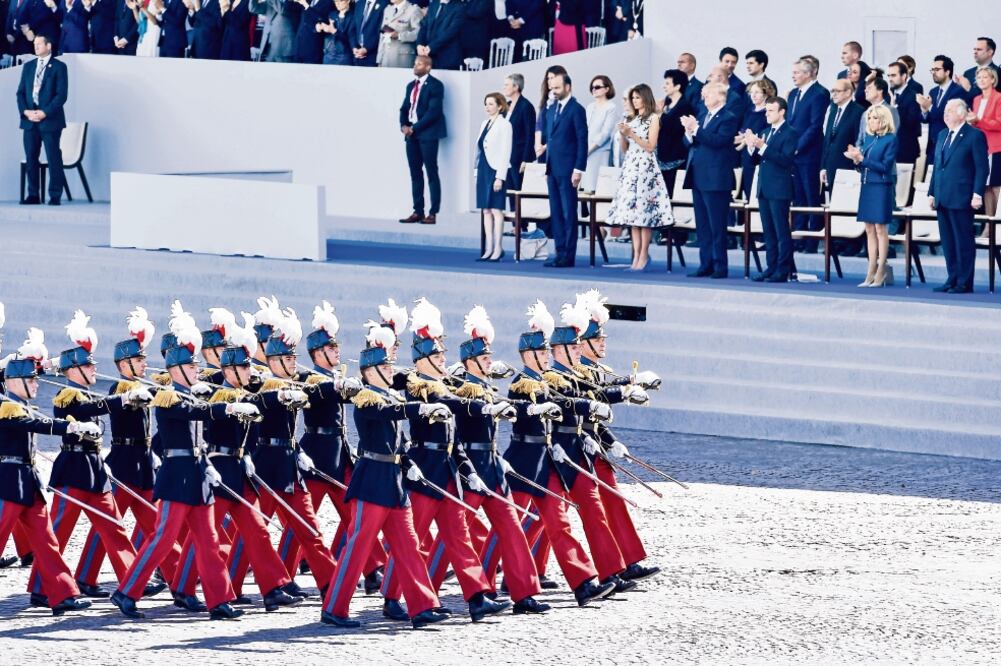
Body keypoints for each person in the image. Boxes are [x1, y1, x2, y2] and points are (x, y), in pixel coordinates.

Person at [109, 314, 247, 620]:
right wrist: (231, 407)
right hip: (177, 476)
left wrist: (207, 463)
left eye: (197, 365)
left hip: (197, 473)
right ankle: (126, 591)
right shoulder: (169, 396)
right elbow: (196, 413)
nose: (197, 370)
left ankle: (219, 600)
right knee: (163, 538)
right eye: (192, 366)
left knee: (209, 541)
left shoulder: (187, 393)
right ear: (176, 369)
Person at [318, 323, 448, 629]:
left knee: (408, 547)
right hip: (372, 480)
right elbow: (390, 413)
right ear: (371, 370)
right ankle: (334, 607)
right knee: (358, 546)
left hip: (393, 480)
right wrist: (423, 409)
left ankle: (423, 606)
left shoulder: (387, 395)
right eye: (386, 366)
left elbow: (398, 436)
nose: (392, 371)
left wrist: (406, 461)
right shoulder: (366, 398)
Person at [502, 301, 616, 607]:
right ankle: (484, 586)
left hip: (546, 462)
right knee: (509, 528)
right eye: (541, 353)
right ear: (528, 355)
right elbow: (520, 408)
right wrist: (537, 408)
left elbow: (568, 401)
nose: (545, 356)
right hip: (523, 462)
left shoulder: (546, 381)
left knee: (558, 521)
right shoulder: (522, 382)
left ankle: (582, 583)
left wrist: (592, 406)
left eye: (546, 352)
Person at [0, 340, 94, 617]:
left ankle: (62, 594)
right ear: (16, 381)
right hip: (7, 481)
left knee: (46, 541)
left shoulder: (19, 404)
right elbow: (35, 424)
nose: (37, 384)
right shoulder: (6, 407)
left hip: (27, 480)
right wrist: (71, 426)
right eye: (31, 379)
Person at [606, 83, 672, 271]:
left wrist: (631, 134)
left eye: (637, 97)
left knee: (644, 216)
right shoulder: (631, 119)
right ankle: (635, 256)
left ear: (645, 97)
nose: (634, 101)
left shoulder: (653, 119)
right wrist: (623, 136)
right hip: (631, 167)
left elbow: (651, 146)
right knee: (633, 217)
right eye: (632, 98)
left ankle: (643, 255)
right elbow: (626, 150)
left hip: (646, 169)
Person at [928, 99, 988, 294]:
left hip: (962, 196)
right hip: (942, 196)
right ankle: (952, 278)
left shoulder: (974, 136)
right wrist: (931, 192)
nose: (946, 114)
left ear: (962, 114)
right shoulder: (942, 134)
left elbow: (982, 168)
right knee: (948, 242)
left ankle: (964, 282)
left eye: (950, 110)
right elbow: (937, 166)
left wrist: (977, 194)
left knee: (963, 241)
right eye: (945, 110)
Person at [680, 82, 740, 278]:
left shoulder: (728, 117)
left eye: (707, 94)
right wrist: (689, 133)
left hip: (716, 178)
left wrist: (696, 130)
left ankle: (720, 266)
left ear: (719, 95)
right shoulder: (702, 116)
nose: (703, 98)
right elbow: (691, 143)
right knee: (703, 225)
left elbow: (718, 141)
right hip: (698, 175)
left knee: (717, 226)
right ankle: (705, 263)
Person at [743, 96, 798, 282]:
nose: (767, 114)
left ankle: (783, 270)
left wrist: (762, 146)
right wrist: (752, 147)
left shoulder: (790, 132)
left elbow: (786, 160)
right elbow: (757, 160)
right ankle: (771, 266)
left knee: (781, 230)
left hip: (780, 187)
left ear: (782, 112)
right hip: (765, 186)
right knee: (768, 231)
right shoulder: (766, 131)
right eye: (766, 110)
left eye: (771, 110)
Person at [845, 106, 898, 287]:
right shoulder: (868, 138)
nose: (871, 121)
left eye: (875, 118)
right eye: (869, 118)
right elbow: (863, 165)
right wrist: (856, 159)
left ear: (883, 119)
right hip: (867, 185)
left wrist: (862, 160)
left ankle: (881, 268)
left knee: (881, 229)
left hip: (881, 186)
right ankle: (870, 269)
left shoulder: (890, 139)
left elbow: (885, 166)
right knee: (869, 229)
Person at [542, 72, 587, 268]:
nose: (554, 91)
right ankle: (559, 251)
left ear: (568, 87)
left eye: (558, 88)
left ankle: (569, 255)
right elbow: (548, 137)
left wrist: (578, 169)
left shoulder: (576, 109)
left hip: (569, 169)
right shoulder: (551, 109)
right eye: (552, 88)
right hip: (552, 167)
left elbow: (582, 140)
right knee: (556, 212)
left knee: (569, 212)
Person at [17, 35, 67, 207]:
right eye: (34, 44)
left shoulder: (60, 67)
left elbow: (61, 96)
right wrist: (26, 112)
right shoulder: (29, 66)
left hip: (50, 120)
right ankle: (33, 195)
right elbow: (20, 93)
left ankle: (55, 195)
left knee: (53, 157)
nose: (36, 47)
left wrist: (44, 112)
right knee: (31, 157)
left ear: (49, 45)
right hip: (30, 120)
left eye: (39, 44)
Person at [787, 55, 828, 252]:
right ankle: (799, 234)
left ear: (808, 73)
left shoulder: (819, 93)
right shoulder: (793, 94)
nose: (793, 76)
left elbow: (815, 125)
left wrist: (798, 146)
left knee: (812, 196)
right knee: (798, 196)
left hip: (810, 152)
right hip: (793, 153)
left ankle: (812, 239)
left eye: (796, 72)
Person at [399, 55, 446, 225]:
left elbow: (434, 112)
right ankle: (418, 211)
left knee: (431, 172)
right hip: (411, 135)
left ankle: (433, 213)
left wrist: (414, 128)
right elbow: (404, 108)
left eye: (419, 64)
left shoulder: (435, 85)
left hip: (427, 134)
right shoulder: (411, 86)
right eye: (415, 63)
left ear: (428, 67)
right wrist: (404, 125)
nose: (415, 66)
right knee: (415, 174)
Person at [476, 92, 512, 262]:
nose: (487, 107)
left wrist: (500, 177)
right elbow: (480, 149)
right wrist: (476, 171)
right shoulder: (485, 123)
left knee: (497, 209)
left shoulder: (505, 125)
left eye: (491, 104)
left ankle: (498, 247)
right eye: (486, 104)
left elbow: (506, 152)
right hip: (483, 168)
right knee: (486, 210)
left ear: (500, 106)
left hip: (496, 170)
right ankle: (488, 248)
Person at [917, 55, 965, 167]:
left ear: (948, 72)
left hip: (949, 145)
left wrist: (929, 107)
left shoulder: (958, 91)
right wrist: (924, 111)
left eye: (937, 69)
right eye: (932, 70)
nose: (933, 72)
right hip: (933, 146)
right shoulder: (933, 91)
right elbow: (927, 119)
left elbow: (950, 116)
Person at [967, 67, 1001, 217]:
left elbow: (999, 123)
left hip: (995, 147)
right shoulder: (976, 99)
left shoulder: (999, 98)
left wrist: (978, 121)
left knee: (996, 186)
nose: (981, 80)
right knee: (985, 186)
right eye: (979, 77)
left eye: (985, 77)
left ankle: (998, 223)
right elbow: (976, 123)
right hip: (980, 147)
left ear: (993, 79)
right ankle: (989, 225)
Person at [820, 78, 865, 194]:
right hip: (831, 166)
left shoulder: (858, 112)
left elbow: (858, 141)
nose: (833, 94)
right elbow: (827, 141)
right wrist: (823, 167)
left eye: (837, 91)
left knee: (845, 207)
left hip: (848, 168)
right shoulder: (833, 110)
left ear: (848, 92)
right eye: (832, 91)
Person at [735, 79, 774, 202]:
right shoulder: (748, 111)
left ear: (766, 93)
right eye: (751, 92)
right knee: (747, 190)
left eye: (757, 92)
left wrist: (748, 138)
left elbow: (766, 133)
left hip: (760, 156)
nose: (753, 95)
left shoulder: (768, 113)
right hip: (746, 155)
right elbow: (743, 131)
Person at [657, 68, 694, 197]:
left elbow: (676, 130)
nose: (664, 86)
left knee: (672, 194)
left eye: (667, 83)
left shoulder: (685, 106)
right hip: (661, 156)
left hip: (676, 158)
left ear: (677, 86)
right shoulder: (666, 104)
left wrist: (661, 115)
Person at [582, 74, 617, 193]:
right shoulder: (590, 106)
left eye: (597, 87)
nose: (594, 90)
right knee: (585, 189)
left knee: (598, 188)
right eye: (592, 87)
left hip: (600, 152)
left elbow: (605, 134)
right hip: (585, 151)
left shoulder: (611, 107)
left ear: (607, 89)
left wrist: (589, 150)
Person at [502, 73, 536, 191]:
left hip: (519, 157)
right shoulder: (507, 105)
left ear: (516, 87)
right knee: (509, 191)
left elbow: (529, 135)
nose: (504, 87)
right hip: (507, 157)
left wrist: (526, 160)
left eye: (507, 85)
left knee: (519, 191)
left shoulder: (526, 106)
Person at [887, 61, 922, 165]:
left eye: (893, 75)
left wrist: (894, 108)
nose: (890, 79)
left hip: (905, 149)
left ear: (904, 76)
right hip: (887, 150)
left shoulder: (913, 96)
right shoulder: (887, 95)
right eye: (888, 75)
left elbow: (910, 122)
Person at [415, 0, 463, 70]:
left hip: (447, 58)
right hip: (428, 57)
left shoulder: (460, 6)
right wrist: (419, 44)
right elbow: (424, 26)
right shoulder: (434, 4)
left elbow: (450, 32)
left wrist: (431, 47)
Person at [376, 0, 421, 68]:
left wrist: (399, 35)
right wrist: (379, 59)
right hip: (385, 58)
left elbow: (419, 33)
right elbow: (382, 35)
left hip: (402, 59)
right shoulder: (388, 9)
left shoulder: (413, 9)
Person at [856, 74, 899, 144]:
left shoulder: (891, 110)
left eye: (869, 88)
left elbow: (893, 137)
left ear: (880, 90)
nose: (865, 91)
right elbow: (860, 138)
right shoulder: (865, 113)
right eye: (865, 88)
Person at [958, 37, 1001, 104]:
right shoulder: (968, 73)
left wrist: (969, 88)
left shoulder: (998, 72)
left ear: (990, 52)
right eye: (974, 49)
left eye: (979, 49)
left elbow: (991, 99)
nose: (975, 52)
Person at [349, 0, 384, 66]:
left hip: (373, 54)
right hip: (357, 54)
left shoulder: (384, 4)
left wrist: (366, 49)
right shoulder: (359, 3)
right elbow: (352, 28)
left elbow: (381, 31)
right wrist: (354, 47)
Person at [319, 0, 354, 65]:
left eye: (340, 1)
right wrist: (321, 27)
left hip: (344, 56)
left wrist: (334, 31)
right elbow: (325, 30)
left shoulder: (353, 16)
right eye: (335, 1)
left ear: (348, 1)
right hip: (328, 55)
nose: (337, 3)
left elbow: (351, 39)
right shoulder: (332, 14)